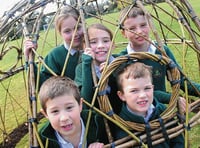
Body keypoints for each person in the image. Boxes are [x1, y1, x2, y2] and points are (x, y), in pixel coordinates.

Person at [118, 5, 200, 104]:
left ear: (150, 25)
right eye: (132, 28)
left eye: (143, 25)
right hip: (136, 116)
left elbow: (182, 81)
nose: (139, 31)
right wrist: (170, 98)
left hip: (162, 113)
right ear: (123, 33)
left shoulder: (162, 51)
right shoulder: (122, 59)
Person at [114, 62, 184, 147]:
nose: (142, 95)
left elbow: (178, 140)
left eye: (147, 88)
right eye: (134, 91)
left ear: (153, 88)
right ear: (122, 95)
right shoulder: (122, 124)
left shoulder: (163, 111)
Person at [24, 5, 84, 88]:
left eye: (78, 28)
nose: (75, 34)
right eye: (67, 31)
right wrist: (29, 59)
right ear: (60, 33)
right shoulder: (55, 56)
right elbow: (42, 85)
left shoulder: (95, 47)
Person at [38, 76, 107, 148]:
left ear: (80, 105)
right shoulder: (42, 138)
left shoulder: (97, 122)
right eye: (55, 111)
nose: (64, 118)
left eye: (69, 108)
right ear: (45, 114)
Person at [74, 23, 121, 113]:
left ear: (113, 44)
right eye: (93, 42)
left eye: (106, 41)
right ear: (84, 47)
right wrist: (87, 65)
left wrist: (111, 75)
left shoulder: (120, 63)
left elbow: (124, 98)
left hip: (123, 118)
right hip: (97, 121)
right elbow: (86, 103)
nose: (100, 46)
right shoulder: (81, 69)